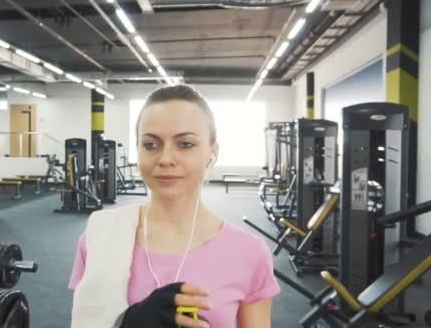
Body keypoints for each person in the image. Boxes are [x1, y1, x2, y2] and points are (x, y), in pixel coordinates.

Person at [68, 85, 280, 328]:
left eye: (185, 144)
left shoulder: (249, 253)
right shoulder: (99, 236)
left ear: (213, 152)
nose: (166, 158)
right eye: (151, 144)